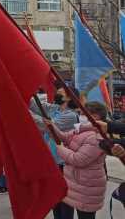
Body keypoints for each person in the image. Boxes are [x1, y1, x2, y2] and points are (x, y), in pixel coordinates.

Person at [45, 102, 109, 219]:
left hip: (88, 185)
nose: (79, 116)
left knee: (85, 215)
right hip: (75, 182)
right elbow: (65, 137)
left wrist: (60, 148)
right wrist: (52, 127)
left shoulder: (97, 137)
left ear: (95, 117)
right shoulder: (82, 129)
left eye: (82, 113)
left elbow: (78, 159)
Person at [30, 87, 80, 218]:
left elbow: (46, 126)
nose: (57, 93)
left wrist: (24, 113)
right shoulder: (54, 108)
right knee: (54, 197)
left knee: (65, 198)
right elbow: (35, 105)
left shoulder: (71, 116)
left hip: (63, 163)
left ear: (69, 97)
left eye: (61, 92)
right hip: (51, 160)